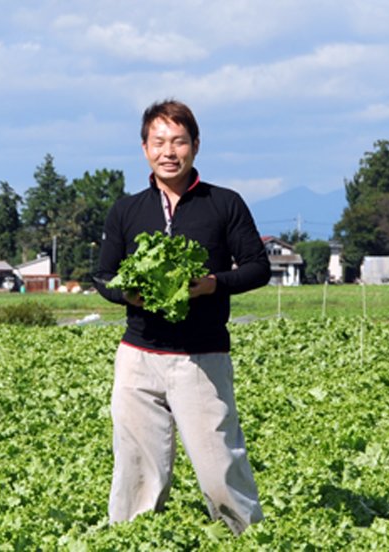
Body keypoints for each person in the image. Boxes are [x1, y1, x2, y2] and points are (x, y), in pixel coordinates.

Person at [93, 99, 270, 535]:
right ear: (144, 149)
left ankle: (244, 537)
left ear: (195, 146)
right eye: (159, 142)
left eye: (179, 141)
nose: (168, 151)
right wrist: (127, 295)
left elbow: (257, 267)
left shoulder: (223, 204)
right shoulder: (127, 210)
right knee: (135, 470)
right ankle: (133, 541)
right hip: (138, 357)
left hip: (201, 358)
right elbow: (102, 274)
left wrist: (214, 283)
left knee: (218, 467)